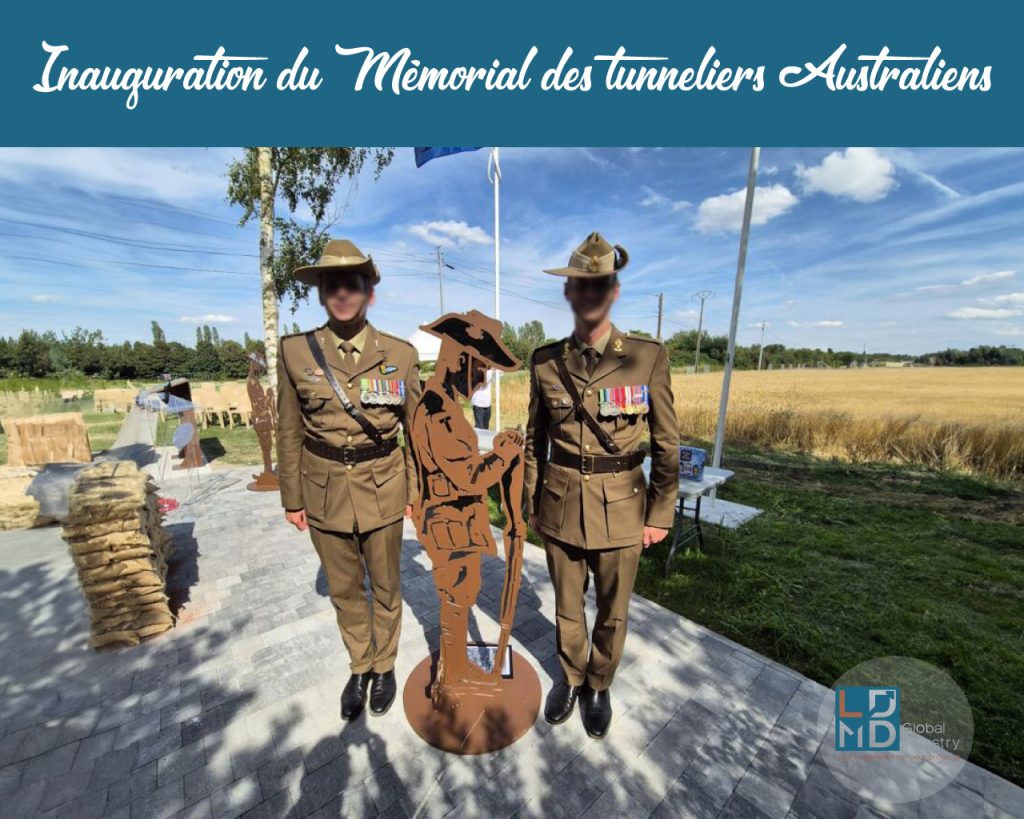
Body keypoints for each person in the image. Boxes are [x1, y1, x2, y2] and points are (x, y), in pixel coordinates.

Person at [524, 231, 679, 739]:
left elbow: (667, 443)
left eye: (600, 285)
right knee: (567, 605)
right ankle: (570, 676)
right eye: (579, 286)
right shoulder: (545, 361)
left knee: (613, 612)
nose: (589, 294)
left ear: (613, 291)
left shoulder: (646, 356)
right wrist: (530, 503)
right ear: (569, 293)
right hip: (562, 501)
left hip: (623, 506)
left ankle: (599, 683)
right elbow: (533, 440)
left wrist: (660, 513)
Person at [277, 239, 421, 721]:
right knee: (343, 589)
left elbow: (416, 432)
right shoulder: (296, 351)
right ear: (321, 292)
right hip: (322, 488)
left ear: (368, 292)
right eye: (331, 284)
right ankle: (360, 665)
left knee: (385, 585)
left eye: (352, 284)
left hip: (384, 483)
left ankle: (385, 667)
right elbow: (289, 428)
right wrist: (291, 498)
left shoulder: (400, 354)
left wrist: (416, 494)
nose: (341, 293)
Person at [409, 311, 523, 706]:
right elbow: (468, 476)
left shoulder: (442, 403)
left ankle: (454, 671)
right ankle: (449, 682)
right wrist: (504, 455)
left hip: (452, 518)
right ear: (460, 360)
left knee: (461, 596)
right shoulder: (439, 410)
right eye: (482, 369)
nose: (483, 379)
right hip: (449, 520)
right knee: (456, 600)